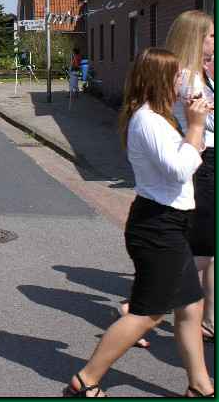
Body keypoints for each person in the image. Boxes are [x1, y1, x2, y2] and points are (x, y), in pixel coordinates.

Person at [63, 47, 213, 398]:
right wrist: (194, 127)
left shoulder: (162, 117)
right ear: (160, 79)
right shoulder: (148, 120)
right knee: (148, 315)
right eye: (176, 76)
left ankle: (199, 384)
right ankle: (85, 380)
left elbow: (184, 155)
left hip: (170, 223)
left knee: (192, 306)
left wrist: (194, 125)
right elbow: (179, 170)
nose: (182, 81)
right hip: (157, 227)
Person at [166, 10, 215, 345]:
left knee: (210, 248)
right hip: (204, 161)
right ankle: (142, 305)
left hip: (205, 158)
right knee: (203, 248)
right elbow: (207, 121)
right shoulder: (189, 78)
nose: (215, 41)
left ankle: (209, 321)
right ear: (197, 39)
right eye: (211, 35)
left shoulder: (197, 74)